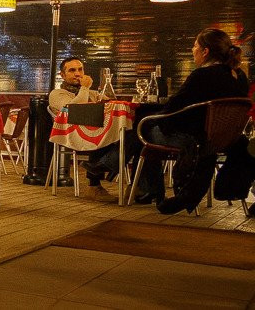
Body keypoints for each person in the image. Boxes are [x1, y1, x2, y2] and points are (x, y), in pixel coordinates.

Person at [129, 28, 250, 214]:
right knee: (146, 125)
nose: (192, 50)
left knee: (142, 129)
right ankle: (149, 190)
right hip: (226, 139)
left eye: (194, 46)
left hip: (195, 139)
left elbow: (174, 107)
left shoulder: (202, 75)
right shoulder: (240, 77)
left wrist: (153, 118)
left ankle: (151, 191)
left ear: (205, 51)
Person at [48, 57, 117, 202]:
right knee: (102, 135)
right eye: (72, 70)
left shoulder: (92, 93)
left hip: (96, 132)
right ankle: (94, 185)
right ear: (62, 75)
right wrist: (85, 88)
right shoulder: (57, 94)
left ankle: (139, 186)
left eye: (80, 69)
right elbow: (74, 110)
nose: (78, 74)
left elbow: (112, 103)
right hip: (71, 135)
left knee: (131, 134)